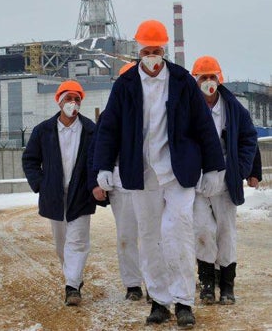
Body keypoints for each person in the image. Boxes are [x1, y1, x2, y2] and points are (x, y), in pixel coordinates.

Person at [92, 20, 225, 328]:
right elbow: (109, 128)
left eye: (157, 51)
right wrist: (101, 166)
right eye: (147, 51)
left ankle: (183, 302)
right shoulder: (125, 86)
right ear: (139, 51)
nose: (152, 56)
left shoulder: (180, 81)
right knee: (150, 237)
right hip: (141, 173)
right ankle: (160, 301)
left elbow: (204, 125)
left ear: (164, 50)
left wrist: (214, 167)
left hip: (178, 172)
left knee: (177, 233)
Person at [22, 80, 96, 306]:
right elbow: (30, 160)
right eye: (68, 98)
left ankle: (71, 287)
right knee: (61, 243)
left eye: (77, 99)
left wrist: (96, 184)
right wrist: (41, 184)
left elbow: (97, 159)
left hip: (80, 193)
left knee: (78, 240)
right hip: (54, 193)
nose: (72, 103)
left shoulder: (91, 130)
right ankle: (74, 277)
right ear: (59, 101)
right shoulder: (43, 131)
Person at [191, 56, 257, 305]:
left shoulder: (234, 108)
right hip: (197, 183)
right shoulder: (188, 108)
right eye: (203, 77)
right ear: (195, 80)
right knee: (203, 230)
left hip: (225, 180)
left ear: (220, 79)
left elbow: (248, 139)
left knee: (226, 232)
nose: (208, 82)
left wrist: (240, 169)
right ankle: (207, 283)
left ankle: (227, 285)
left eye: (212, 77)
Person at [91, 62, 145, 303]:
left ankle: (157, 283)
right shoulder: (109, 115)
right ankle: (133, 284)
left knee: (156, 235)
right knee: (126, 236)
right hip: (122, 183)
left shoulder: (155, 109)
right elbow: (98, 147)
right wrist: (98, 179)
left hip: (152, 181)